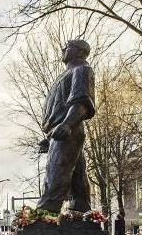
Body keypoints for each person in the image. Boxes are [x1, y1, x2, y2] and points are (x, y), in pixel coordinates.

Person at [35, 39, 96, 214]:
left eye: (67, 47)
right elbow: (58, 108)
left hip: (69, 128)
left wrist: (67, 124)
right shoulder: (65, 75)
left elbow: (82, 102)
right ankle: (81, 209)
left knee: (57, 171)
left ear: (79, 52)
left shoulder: (81, 70)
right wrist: (50, 136)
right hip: (61, 130)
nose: (63, 49)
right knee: (78, 175)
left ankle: (45, 213)